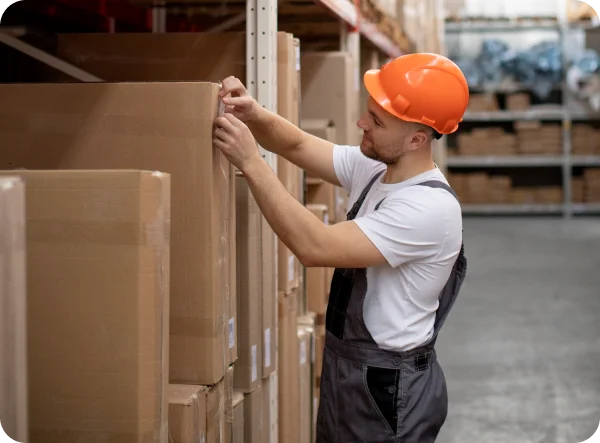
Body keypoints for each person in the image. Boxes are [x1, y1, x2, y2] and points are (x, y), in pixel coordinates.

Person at [213, 52, 469, 443]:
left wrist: (251, 161)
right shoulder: (377, 169)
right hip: (349, 371)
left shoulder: (428, 208)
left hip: (388, 390)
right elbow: (298, 146)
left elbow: (315, 246)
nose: (361, 123)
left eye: (376, 121)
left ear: (417, 138)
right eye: (368, 112)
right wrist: (254, 114)